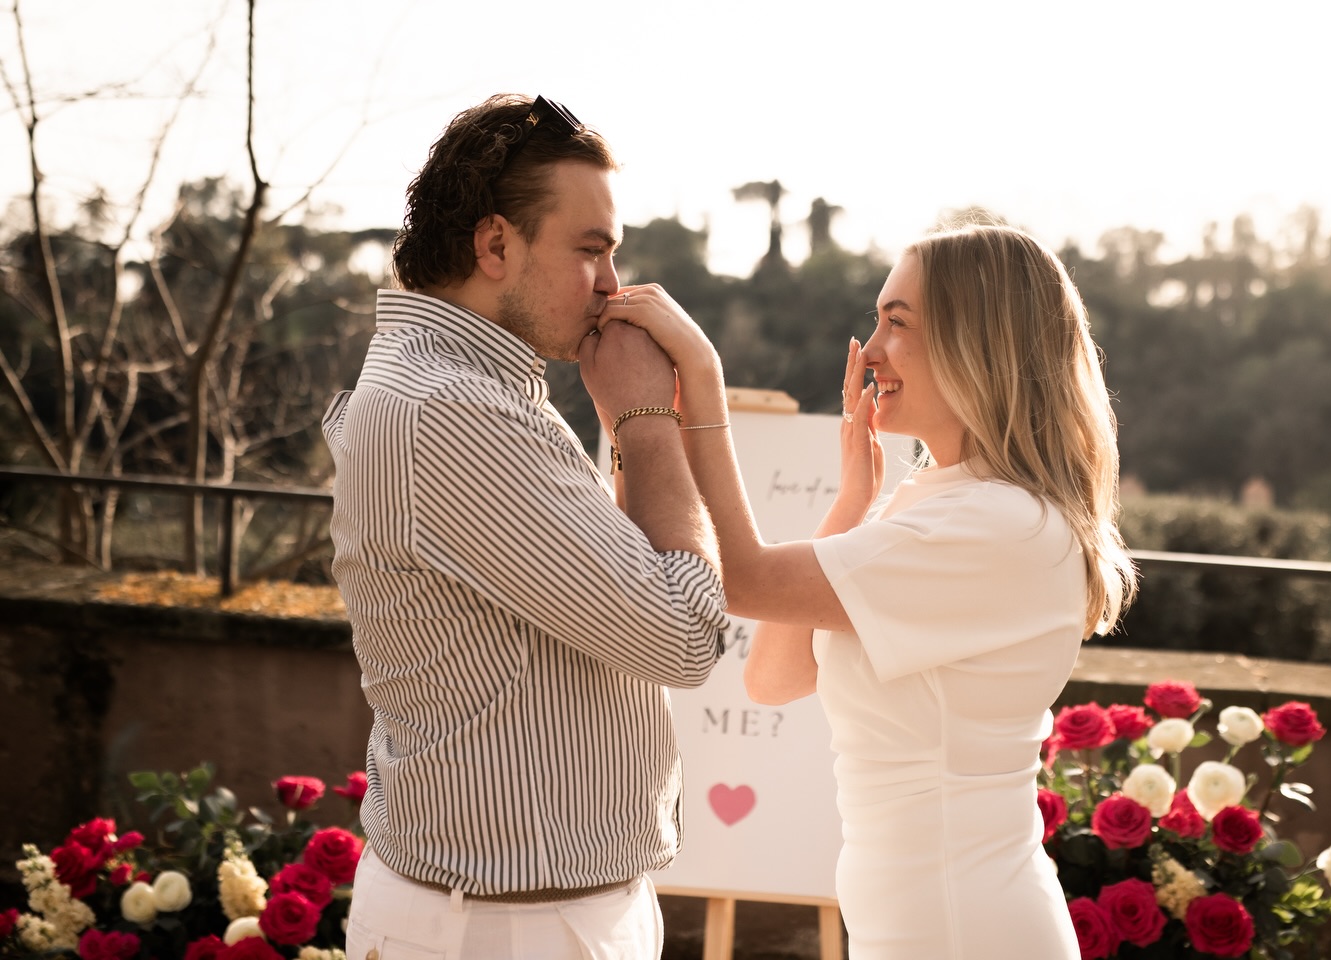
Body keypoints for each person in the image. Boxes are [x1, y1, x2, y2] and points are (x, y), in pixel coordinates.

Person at [597, 224, 1137, 958]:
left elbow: (744, 578)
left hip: (963, 930)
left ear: (974, 344)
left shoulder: (998, 524)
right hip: (916, 924)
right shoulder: (939, 504)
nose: (871, 348)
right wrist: (853, 502)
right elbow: (774, 678)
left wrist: (698, 376)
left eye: (898, 323)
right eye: (877, 318)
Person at [323, 94, 728, 960]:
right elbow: (686, 637)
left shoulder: (449, 387)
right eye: (591, 250)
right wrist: (648, 417)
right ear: (496, 244)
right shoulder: (457, 412)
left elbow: (619, 590)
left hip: (513, 911)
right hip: (512, 926)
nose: (614, 285)